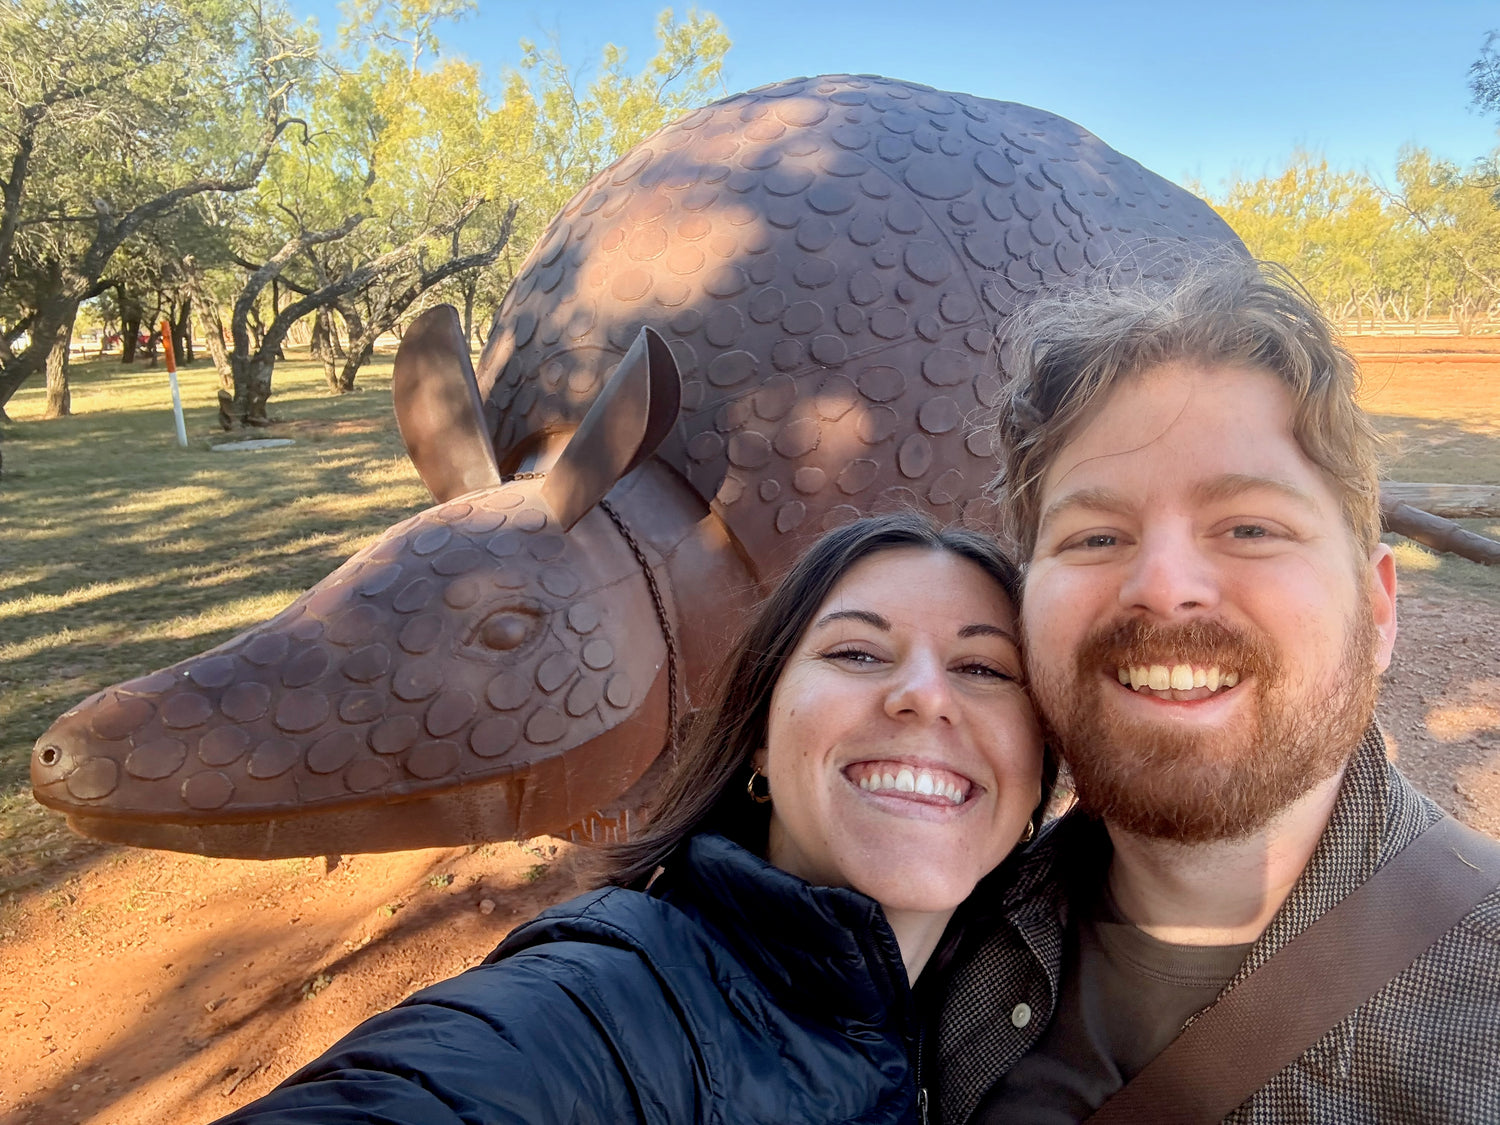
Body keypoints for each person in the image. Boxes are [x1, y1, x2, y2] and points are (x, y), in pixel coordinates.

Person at [214, 512, 1049, 1125]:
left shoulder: (1013, 1004)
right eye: (856, 652)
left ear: (1038, 774)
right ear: (759, 737)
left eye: (983, 666)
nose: (925, 694)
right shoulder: (608, 1000)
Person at [935, 258, 1500, 1124]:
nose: (1162, 585)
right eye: (1095, 536)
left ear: (1378, 607)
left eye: (1248, 527)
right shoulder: (938, 933)